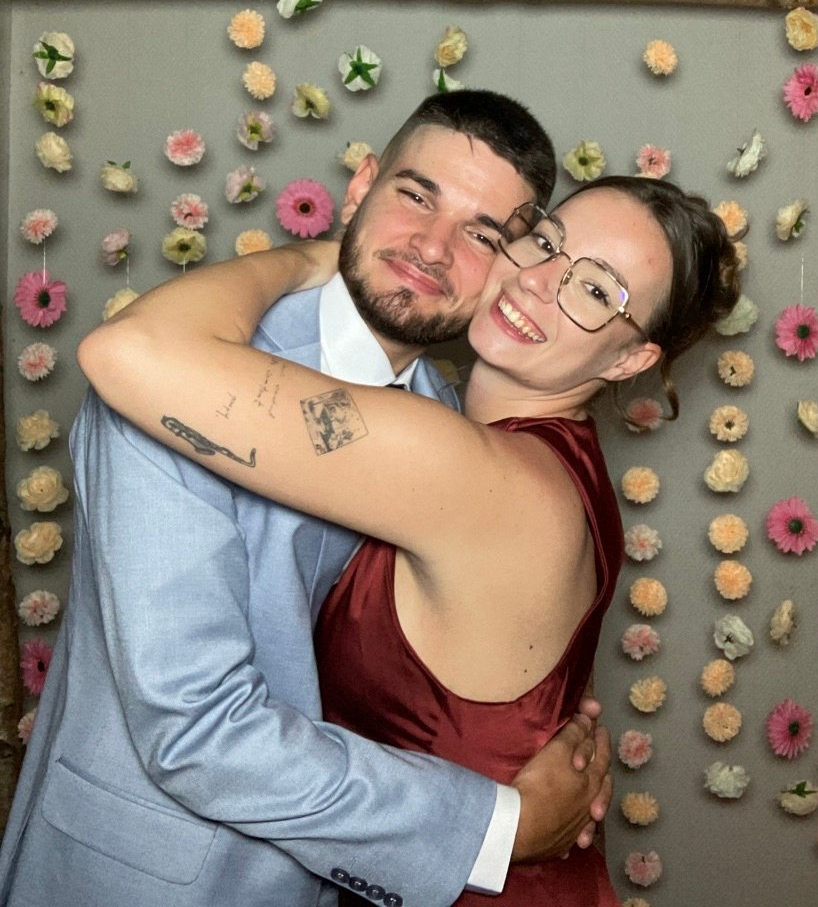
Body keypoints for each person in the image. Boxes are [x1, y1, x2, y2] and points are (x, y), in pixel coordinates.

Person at [0, 91, 613, 907]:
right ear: (359, 188)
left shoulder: (448, 430)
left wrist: (533, 727)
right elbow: (196, 729)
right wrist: (497, 826)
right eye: (416, 195)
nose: (432, 247)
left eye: (481, 234)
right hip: (138, 880)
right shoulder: (180, 373)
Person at [75, 173, 741, 906]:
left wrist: (313, 257)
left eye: (593, 290)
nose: (538, 281)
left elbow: (130, 349)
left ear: (627, 360)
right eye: (547, 241)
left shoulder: (466, 470)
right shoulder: (554, 467)